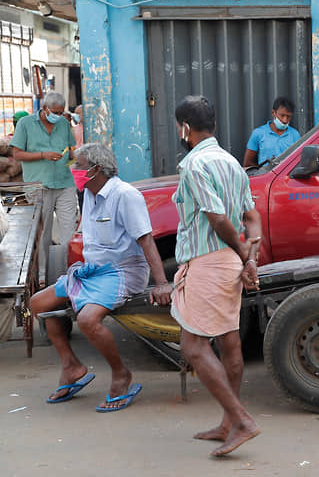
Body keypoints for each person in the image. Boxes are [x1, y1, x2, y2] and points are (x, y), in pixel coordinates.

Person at [151, 95, 262, 456]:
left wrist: (245, 253)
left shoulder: (194, 165)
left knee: (194, 347)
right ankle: (229, 422)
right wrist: (249, 255)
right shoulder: (231, 162)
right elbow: (251, 219)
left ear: (185, 127)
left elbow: (217, 220)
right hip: (228, 263)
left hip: (208, 261)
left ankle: (241, 420)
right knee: (229, 343)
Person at [29, 142, 172, 411]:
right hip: (94, 271)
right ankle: (72, 367)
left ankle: (121, 374)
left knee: (87, 319)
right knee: (39, 303)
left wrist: (162, 283)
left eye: (79, 166)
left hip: (124, 271)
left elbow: (146, 240)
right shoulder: (89, 194)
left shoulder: (125, 195)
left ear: (95, 169)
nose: (75, 170)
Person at [10, 92, 78, 285]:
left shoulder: (63, 124)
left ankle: (69, 274)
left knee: (69, 232)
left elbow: (71, 150)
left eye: (60, 112)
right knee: (43, 234)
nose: (57, 115)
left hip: (65, 183)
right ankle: (42, 277)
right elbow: (17, 154)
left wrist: (75, 156)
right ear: (45, 108)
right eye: (54, 112)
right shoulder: (25, 124)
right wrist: (43, 155)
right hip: (39, 185)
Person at [242, 96, 300, 168]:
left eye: (288, 117)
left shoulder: (295, 135)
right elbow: (247, 163)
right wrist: (263, 172)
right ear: (273, 113)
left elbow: (299, 161)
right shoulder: (258, 133)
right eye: (282, 115)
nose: (285, 120)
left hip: (287, 177)